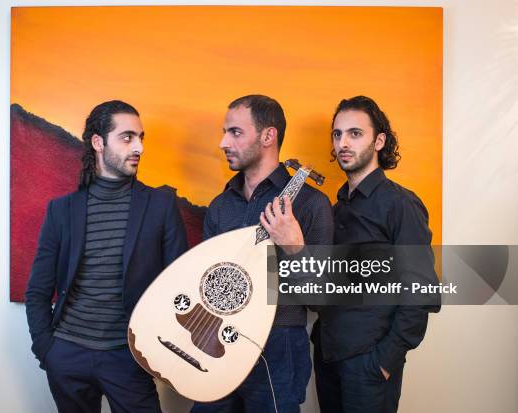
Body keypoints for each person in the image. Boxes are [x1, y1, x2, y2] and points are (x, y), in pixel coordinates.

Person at [25, 100, 188, 413]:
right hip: (68, 355)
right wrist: (48, 351)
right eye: (127, 138)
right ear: (98, 143)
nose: (138, 146)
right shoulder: (62, 210)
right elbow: (38, 290)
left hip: (129, 357)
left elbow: (179, 287)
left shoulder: (161, 205)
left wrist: (156, 352)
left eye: (141, 138)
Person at [192, 95, 334, 413]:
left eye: (235, 132)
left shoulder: (312, 204)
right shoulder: (220, 206)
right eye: (224, 132)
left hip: (278, 345)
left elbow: (321, 299)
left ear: (268, 136)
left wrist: (294, 246)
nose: (222, 142)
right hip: (216, 340)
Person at [312, 95, 441, 413]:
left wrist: (385, 361)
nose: (343, 142)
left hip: (369, 365)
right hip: (328, 358)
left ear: (379, 141)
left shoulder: (400, 204)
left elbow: (421, 291)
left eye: (355, 133)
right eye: (337, 134)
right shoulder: (334, 209)